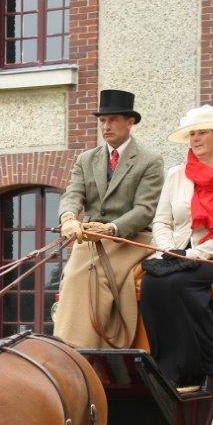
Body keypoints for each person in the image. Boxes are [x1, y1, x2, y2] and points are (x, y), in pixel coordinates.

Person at [139, 105, 213, 391]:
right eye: (192, 133)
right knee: (153, 284)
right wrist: (168, 249)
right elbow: (162, 221)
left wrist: (195, 253)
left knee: (180, 284)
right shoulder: (176, 175)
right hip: (176, 254)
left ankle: (202, 368)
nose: (195, 139)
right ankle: (165, 366)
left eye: (202, 132)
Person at [53, 89, 163, 348]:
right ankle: (68, 347)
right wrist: (68, 217)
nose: (106, 126)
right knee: (72, 277)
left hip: (130, 240)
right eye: (102, 120)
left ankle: (87, 350)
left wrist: (112, 228)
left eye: (112, 120)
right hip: (90, 240)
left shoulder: (150, 161)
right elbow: (73, 193)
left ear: (130, 122)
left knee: (94, 277)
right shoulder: (86, 159)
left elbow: (145, 209)